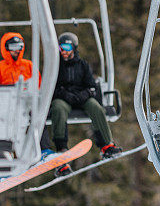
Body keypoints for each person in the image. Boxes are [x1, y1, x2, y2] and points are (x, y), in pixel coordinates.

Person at [49, 32, 121, 177]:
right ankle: (61, 149)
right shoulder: (55, 65)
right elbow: (51, 87)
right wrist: (64, 94)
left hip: (81, 98)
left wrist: (84, 94)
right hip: (64, 99)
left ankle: (106, 145)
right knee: (58, 109)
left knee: (96, 107)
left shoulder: (82, 65)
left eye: (67, 47)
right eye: (61, 47)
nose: (64, 51)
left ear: (74, 48)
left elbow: (91, 86)